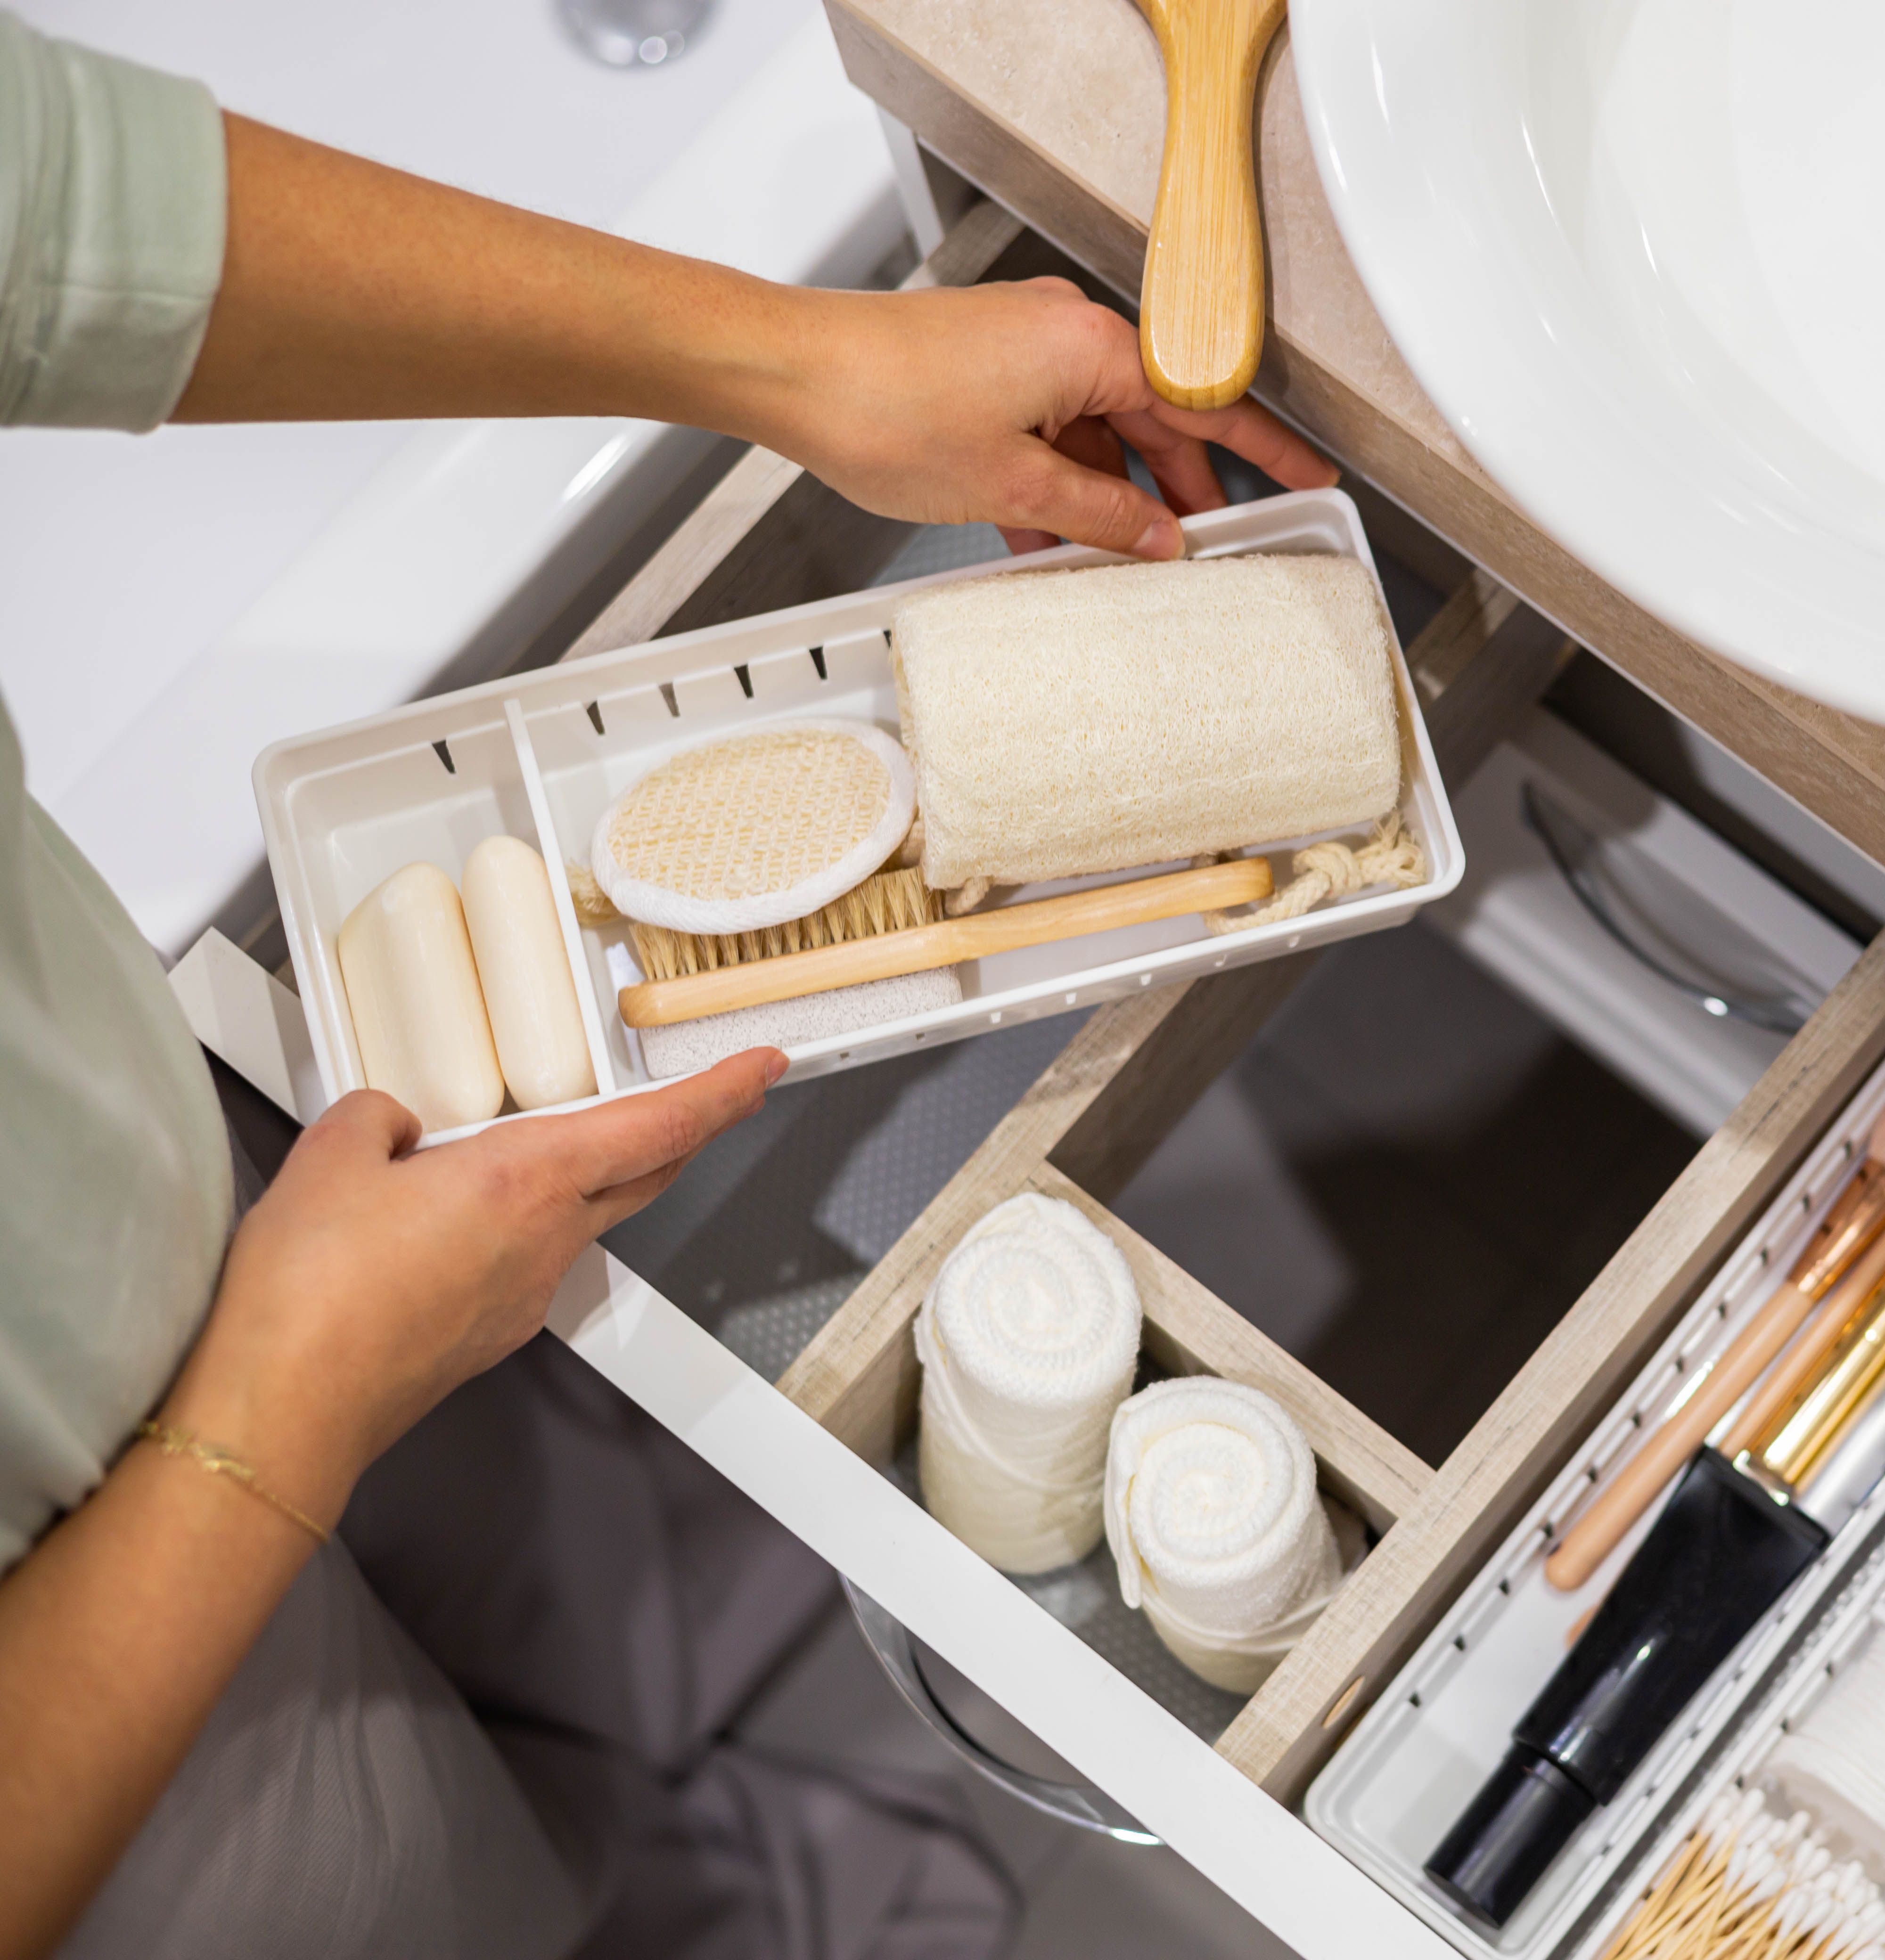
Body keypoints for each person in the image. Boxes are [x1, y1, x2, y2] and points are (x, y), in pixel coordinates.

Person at [0, 13, 1338, 1959]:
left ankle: (713, 1838)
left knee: (555, 1586)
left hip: (166, 1175)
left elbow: (58, 209)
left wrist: (800, 357)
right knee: (452, 1891)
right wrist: (277, 1412)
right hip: (102, 1730)